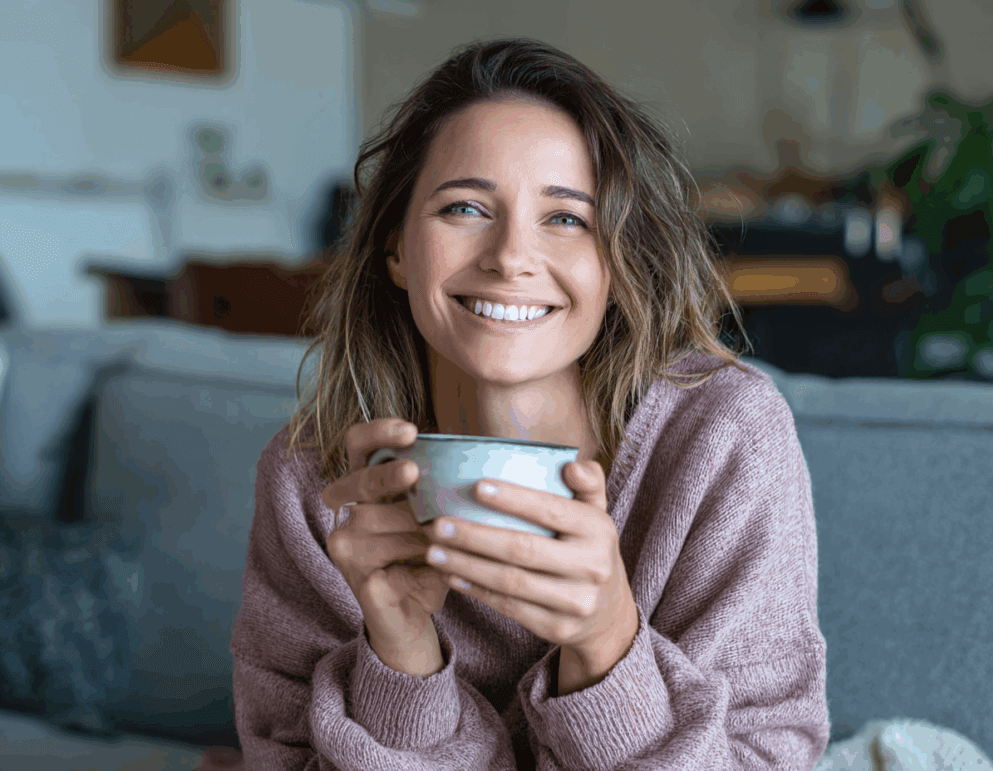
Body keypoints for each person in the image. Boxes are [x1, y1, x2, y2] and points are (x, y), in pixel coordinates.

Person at [229, 37, 829, 770]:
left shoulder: (724, 441)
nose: (511, 255)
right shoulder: (314, 486)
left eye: (566, 218)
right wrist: (402, 664)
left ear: (615, 261)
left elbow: (772, 756)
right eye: (465, 208)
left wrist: (607, 640)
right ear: (394, 246)